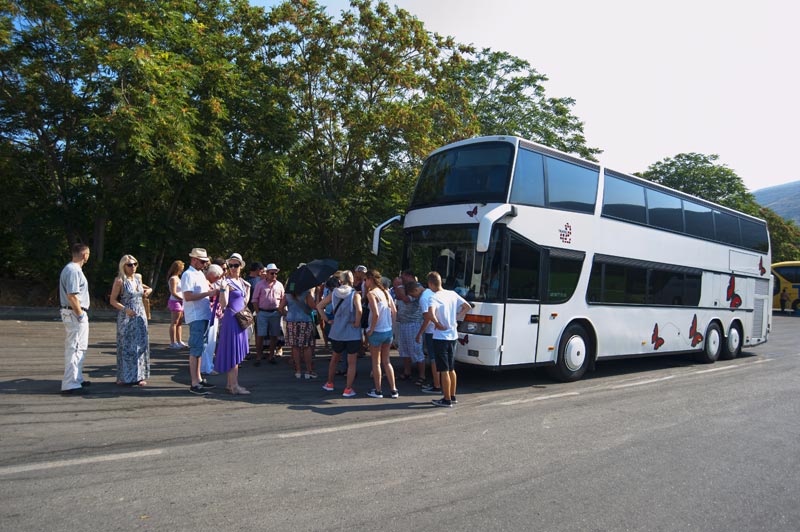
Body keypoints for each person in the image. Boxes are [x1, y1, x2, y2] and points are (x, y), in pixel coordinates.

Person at [426, 271, 471, 408]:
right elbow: (467, 306)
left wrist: (438, 324)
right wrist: (457, 317)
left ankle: (446, 399)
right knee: (451, 368)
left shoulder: (433, 297)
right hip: (453, 335)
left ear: (430, 284)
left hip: (441, 337)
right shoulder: (452, 294)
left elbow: (430, 313)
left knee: (443, 369)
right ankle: (452, 395)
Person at [317, 270, 362, 396]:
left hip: (337, 331)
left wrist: (327, 319)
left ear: (340, 280)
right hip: (352, 332)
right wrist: (357, 323)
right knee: (351, 362)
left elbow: (320, 306)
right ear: (352, 280)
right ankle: (348, 389)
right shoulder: (355, 294)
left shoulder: (334, 293)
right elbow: (359, 310)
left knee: (335, 358)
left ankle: (330, 383)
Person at [109, 255, 152, 386]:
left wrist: (148, 291)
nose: (133, 267)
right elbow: (112, 300)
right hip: (127, 316)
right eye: (129, 265)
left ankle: (139, 376)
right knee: (126, 345)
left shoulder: (138, 278)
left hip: (140, 314)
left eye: (135, 264)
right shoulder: (120, 281)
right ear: (123, 266)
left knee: (140, 344)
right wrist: (125, 309)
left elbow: (147, 288)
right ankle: (124, 376)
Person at [180, 247, 217, 395]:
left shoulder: (199, 273)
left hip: (203, 315)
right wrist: (209, 293)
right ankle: (194, 382)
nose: (204, 264)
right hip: (195, 316)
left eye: (205, 262)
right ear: (194, 259)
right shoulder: (188, 275)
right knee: (196, 348)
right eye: (202, 261)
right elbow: (188, 296)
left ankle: (199, 379)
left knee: (200, 348)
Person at [214, 253, 251, 395]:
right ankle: (234, 386)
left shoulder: (242, 282)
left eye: (236, 265)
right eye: (231, 265)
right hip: (231, 319)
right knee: (233, 352)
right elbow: (223, 304)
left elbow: (244, 302)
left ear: (241, 266)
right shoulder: (227, 282)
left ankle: (231, 385)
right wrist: (223, 290)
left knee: (235, 352)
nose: (234, 268)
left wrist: (247, 290)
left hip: (240, 319)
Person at [59, 243, 92, 395]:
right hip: (74, 313)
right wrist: (80, 314)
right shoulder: (73, 270)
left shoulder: (73, 269)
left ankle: (76, 378)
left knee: (80, 347)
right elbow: (72, 295)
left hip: (74, 312)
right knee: (75, 347)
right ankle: (70, 384)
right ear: (84, 254)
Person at [364, 269, 398, 398]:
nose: (365, 282)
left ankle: (378, 390)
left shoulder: (372, 294)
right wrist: (392, 328)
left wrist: (371, 329)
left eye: (366, 279)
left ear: (370, 279)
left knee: (376, 362)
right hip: (387, 330)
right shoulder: (386, 292)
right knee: (386, 361)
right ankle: (393, 389)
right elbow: (394, 312)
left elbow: (375, 314)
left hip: (377, 331)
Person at [280, 277, 317, 379]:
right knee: (307, 346)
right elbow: (313, 306)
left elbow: (280, 308)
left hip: (291, 321)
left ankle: (298, 371)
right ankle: (309, 371)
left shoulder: (288, 294)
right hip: (305, 321)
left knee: (295, 347)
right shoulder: (306, 292)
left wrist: (287, 314)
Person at [251, 263, 285, 366]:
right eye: (272, 273)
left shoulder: (279, 285)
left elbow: (283, 298)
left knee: (274, 335)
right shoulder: (260, 284)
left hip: (275, 313)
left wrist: (281, 309)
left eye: (275, 273)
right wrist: (258, 312)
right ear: (267, 274)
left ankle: (271, 355)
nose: (274, 275)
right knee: (260, 335)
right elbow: (254, 299)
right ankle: (258, 357)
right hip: (263, 312)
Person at [397, 281, 425, 384]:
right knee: (404, 349)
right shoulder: (406, 292)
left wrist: (400, 290)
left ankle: (422, 376)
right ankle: (407, 372)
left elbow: (406, 300)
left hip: (413, 324)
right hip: (403, 323)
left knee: (416, 349)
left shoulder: (415, 293)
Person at [202, 264, 225, 377]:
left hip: (214, 314)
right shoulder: (204, 282)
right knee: (208, 342)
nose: (218, 279)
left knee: (211, 342)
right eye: (217, 276)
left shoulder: (209, 282)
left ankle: (208, 365)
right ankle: (206, 367)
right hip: (209, 314)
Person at [166, 260, 187, 349]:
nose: (182, 270)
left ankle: (179, 340)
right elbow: (173, 292)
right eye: (180, 268)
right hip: (175, 301)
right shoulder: (173, 279)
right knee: (174, 322)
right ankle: (173, 342)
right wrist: (182, 299)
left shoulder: (178, 278)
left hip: (181, 301)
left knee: (179, 322)